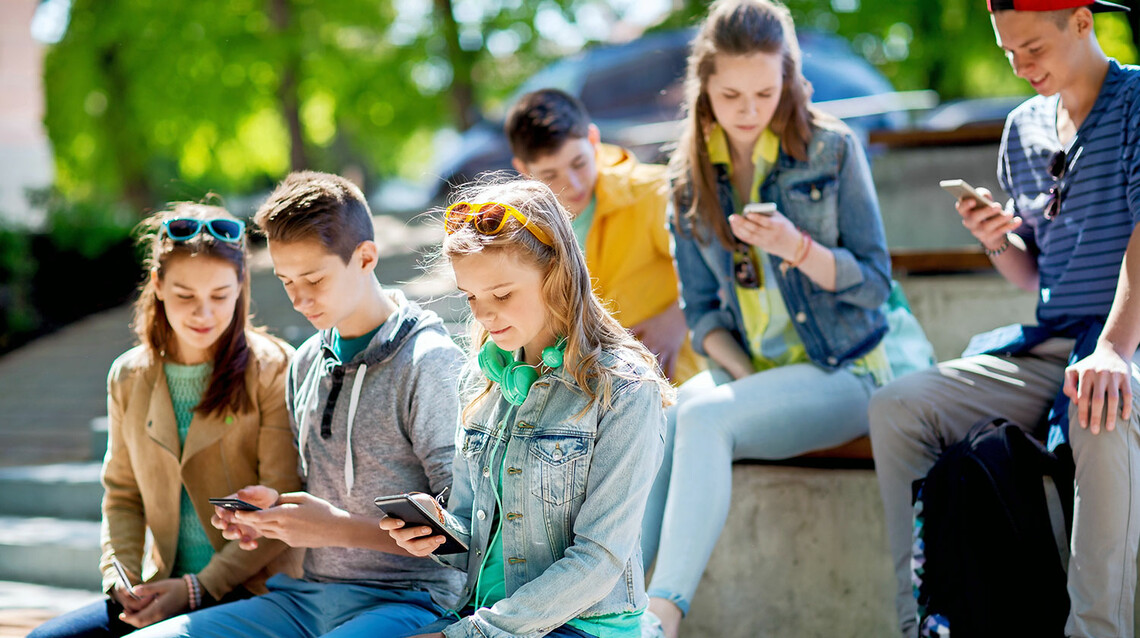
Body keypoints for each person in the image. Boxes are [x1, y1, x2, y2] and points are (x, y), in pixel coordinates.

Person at [638, 1, 912, 635]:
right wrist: (743, 373)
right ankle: (609, 605)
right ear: (703, 86)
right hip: (761, 373)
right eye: (730, 93)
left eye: (766, 90)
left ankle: (660, 617)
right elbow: (702, 311)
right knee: (659, 414)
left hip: (846, 368)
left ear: (788, 78)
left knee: (706, 415)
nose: (749, 108)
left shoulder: (832, 148)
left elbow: (875, 285)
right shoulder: (686, 177)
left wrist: (799, 249)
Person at [868, 1, 1140, 636]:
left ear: (1081, 20)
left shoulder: (1135, 104)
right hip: (1054, 343)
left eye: (1033, 50)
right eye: (1008, 52)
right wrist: (995, 239)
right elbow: (1036, 272)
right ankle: (923, 623)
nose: (1020, 67)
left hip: (1125, 341)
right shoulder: (1022, 127)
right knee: (896, 408)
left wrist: (1113, 351)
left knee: (1100, 411)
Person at [130, 172, 466, 638]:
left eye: (313, 278)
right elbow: (318, 492)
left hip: (411, 602)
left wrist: (333, 529)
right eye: (286, 280)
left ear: (365, 257)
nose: (298, 299)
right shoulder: (307, 360)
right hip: (305, 599)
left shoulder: (429, 363)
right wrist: (273, 514)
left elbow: (463, 536)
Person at [381, 178, 674, 638]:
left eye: (502, 295)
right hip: (484, 614)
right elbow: (476, 531)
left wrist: (468, 635)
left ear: (555, 273)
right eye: (471, 296)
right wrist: (438, 529)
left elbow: (599, 559)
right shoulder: (477, 381)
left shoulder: (623, 388)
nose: (483, 315)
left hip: (582, 625)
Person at [29, 203, 301, 638]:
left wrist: (196, 589)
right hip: (160, 586)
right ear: (157, 284)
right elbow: (122, 494)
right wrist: (121, 580)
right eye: (185, 295)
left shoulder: (272, 367)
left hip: (255, 590)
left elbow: (282, 503)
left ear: (241, 286)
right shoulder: (128, 375)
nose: (203, 314)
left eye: (219, 295)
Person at [504, 89, 702, 384]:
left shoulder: (653, 193)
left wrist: (676, 320)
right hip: (593, 389)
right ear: (523, 170)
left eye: (579, 163)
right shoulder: (526, 228)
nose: (571, 184)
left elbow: (721, 269)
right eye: (550, 175)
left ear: (594, 140)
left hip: (676, 380)